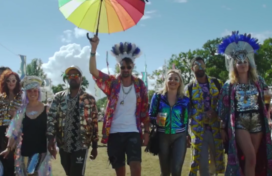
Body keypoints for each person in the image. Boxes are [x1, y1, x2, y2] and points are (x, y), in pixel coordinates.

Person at [89, 36, 150, 176]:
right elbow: (93, 71)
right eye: (123, 67)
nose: (126, 69)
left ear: (133, 67)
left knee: (136, 167)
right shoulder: (112, 83)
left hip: (133, 132)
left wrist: (147, 132)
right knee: (120, 172)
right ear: (119, 67)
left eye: (129, 67)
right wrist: (93, 49)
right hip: (114, 133)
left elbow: (144, 111)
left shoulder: (140, 85)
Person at [217, 31, 272, 176]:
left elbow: (267, 101)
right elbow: (222, 108)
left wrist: (267, 108)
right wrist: (223, 128)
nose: (242, 64)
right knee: (250, 157)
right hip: (240, 122)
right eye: (239, 62)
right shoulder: (229, 85)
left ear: (249, 64)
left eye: (245, 61)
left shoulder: (259, 81)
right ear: (234, 65)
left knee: (253, 160)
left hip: (258, 122)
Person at [47, 66, 98, 176]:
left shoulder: (89, 99)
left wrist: (94, 146)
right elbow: (51, 119)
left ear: (81, 78)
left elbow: (94, 123)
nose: (72, 78)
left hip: (81, 144)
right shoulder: (59, 97)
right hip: (63, 144)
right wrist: (50, 140)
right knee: (69, 173)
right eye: (70, 76)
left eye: (75, 75)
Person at [0, 76, 52, 176]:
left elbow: (52, 130)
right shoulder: (21, 111)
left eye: (35, 91)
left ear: (38, 92)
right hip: (24, 152)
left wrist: (53, 145)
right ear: (26, 93)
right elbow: (14, 131)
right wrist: (8, 148)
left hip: (42, 152)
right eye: (29, 91)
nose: (32, 93)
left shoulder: (47, 109)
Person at [185, 57, 225, 176]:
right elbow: (186, 111)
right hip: (198, 130)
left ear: (205, 66)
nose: (200, 67)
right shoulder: (189, 88)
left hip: (216, 129)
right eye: (197, 65)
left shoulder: (217, 83)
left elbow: (225, 103)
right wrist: (186, 133)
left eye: (202, 65)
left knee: (216, 161)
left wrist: (216, 112)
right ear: (192, 68)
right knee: (201, 163)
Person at [149, 69, 190, 176]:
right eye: (170, 78)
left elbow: (186, 120)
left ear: (180, 82)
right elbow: (151, 115)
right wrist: (156, 119)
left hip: (179, 136)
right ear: (166, 81)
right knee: (165, 171)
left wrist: (186, 135)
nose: (173, 81)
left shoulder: (185, 100)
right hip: (163, 135)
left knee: (177, 170)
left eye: (176, 79)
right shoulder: (158, 96)